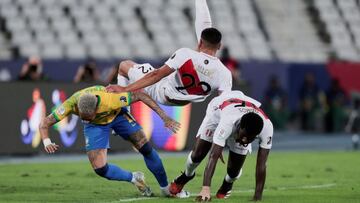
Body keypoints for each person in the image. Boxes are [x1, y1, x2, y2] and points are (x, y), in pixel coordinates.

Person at [38, 85, 187, 197]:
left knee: (145, 148)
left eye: (87, 116)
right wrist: (47, 142)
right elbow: (44, 123)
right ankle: (135, 178)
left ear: (96, 108)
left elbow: (141, 95)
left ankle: (165, 188)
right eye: (82, 117)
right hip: (95, 126)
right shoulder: (70, 104)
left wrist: (164, 116)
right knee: (100, 169)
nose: (83, 119)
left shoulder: (111, 99)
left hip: (117, 117)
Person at [106, 0, 232, 106]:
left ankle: (122, 111)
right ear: (220, 46)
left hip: (163, 92)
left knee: (124, 66)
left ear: (200, 43)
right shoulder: (225, 74)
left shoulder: (185, 54)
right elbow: (224, 103)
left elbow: (156, 75)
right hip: (184, 101)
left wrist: (124, 89)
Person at [169, 91, 274, 201]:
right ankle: (186, 176)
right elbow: (213, 156)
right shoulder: (227, 122)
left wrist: (257, 196)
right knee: (198, 154)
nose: (244, 140)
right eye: (243, 136)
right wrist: (206, 188)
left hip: (240, 106)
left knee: (234, 170)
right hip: (218, 110)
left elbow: (261, 164)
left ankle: (227, 184)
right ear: (240, 127)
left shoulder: (267, 128)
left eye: (250, 138)